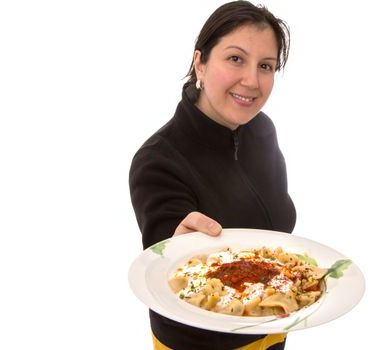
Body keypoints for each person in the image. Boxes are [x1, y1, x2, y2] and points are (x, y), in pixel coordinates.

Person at [129, 1, 295, 349]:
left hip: (271, 326)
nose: (252, 80)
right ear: (199, 63)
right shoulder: (157, 159)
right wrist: (176, 243)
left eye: (265, 65)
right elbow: (165, 250)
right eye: (236, 58)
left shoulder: (262, 130)